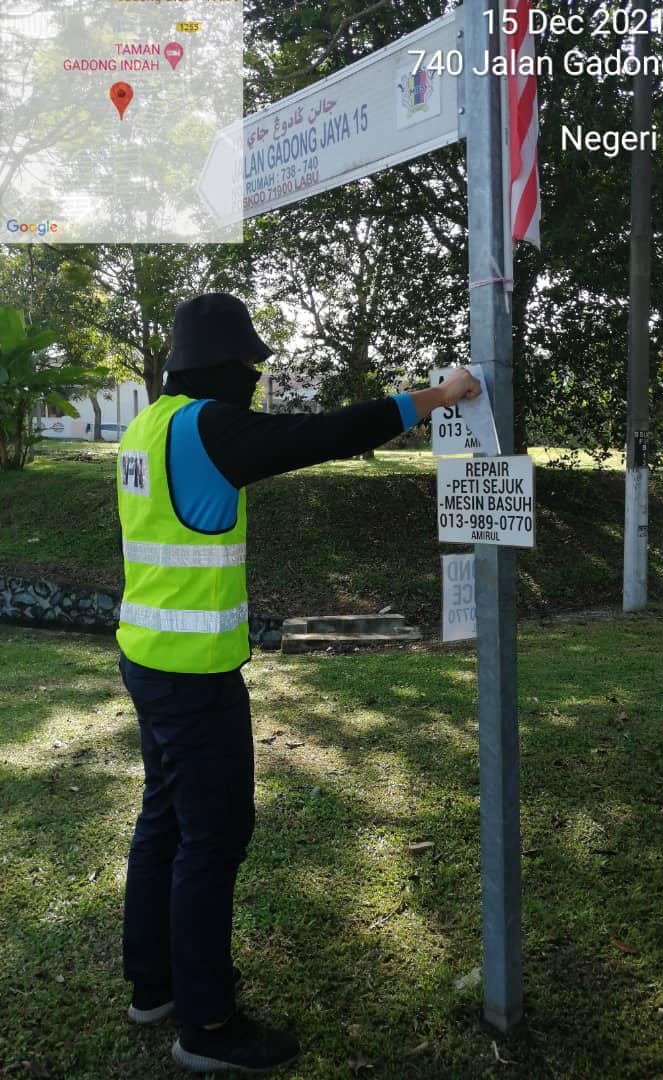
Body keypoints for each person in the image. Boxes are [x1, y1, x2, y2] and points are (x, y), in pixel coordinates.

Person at [116, 292, 481, 1074]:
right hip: (194, 676)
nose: (255, 377)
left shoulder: (148, 425)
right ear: (222, 364)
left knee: (165, 822)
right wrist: (437, 395)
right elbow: (327, 434)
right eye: (249, 364)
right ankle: (207, 1026)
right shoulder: (210, 427)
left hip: (145, 658)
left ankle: (153, 984)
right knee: (212, 839)